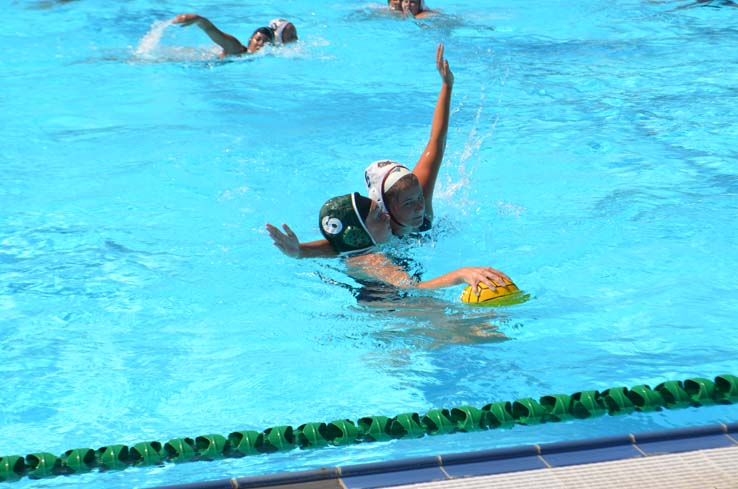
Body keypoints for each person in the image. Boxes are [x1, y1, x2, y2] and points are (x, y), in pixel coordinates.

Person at [266, 43, 454, 257]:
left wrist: (447, 86)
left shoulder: (417, 197)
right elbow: (338, 244)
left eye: (419, 198)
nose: (420, 207)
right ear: (386, 207)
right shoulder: (378, 229)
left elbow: (436, 141)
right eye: (409, 203)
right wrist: (300, 251)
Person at [316, 192, 512, 295]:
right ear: (358, 233)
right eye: (377, 216)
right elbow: (412, 288)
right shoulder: (369, 260)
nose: (386, 215)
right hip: (395, 322)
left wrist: (298, 251)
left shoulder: (361, 250)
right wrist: (461, 274)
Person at [171, 13, 275, 57]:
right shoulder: (235, 47)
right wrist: (199, 19)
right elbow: (212, 30)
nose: (261, 43)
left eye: (266, 41)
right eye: (258, 39)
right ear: (250, 40)